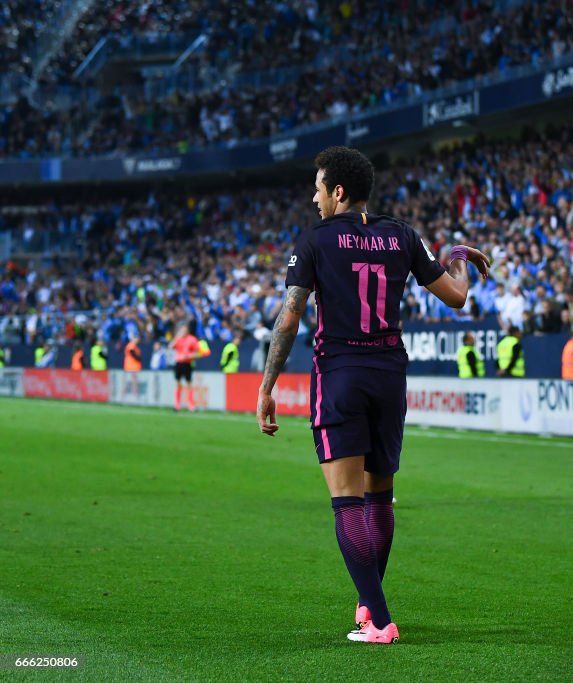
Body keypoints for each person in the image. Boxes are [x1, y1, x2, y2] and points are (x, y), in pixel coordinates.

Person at [256, 146, 489, 645]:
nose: (313, 196)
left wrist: (268, 384)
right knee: (379, 499)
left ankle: (380, 619)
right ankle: (369, 604)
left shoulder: (315, 238)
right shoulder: (401, 234)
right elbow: (456, 294)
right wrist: (460, 258)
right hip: (389, 374)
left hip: (341, 373)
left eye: (317, 187)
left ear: (337, 191)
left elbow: (291, 315)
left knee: (347, 503)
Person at [171, 323, 201, 411]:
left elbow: (198, 353)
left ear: (187, 331)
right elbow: (170, 346)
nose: (182, 332)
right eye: (181, 330)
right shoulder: (178, 339)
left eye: (184, 330)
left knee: (189, 384)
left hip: (187, 363)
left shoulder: (192, 340)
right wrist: (177, 337)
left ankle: (191, 405)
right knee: (178, 384)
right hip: (178, 363)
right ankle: (177, 405)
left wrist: (189, 356)